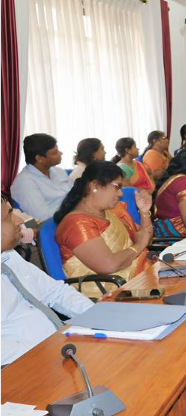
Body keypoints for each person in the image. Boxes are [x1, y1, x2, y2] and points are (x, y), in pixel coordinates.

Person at [0, 194, 93, 368]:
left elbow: (56, 292)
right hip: (25, 365)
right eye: (9, 216)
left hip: (60, 346)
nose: (19, 221)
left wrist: (95, 316)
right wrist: (45, 355)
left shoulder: (9, 256)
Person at [54, 162, 153, 298]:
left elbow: (144, 238)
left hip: (136, 275)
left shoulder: (111, 211)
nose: (120, 193)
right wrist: (140, 245)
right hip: (112, 289)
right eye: (117, 187)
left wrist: (144, 212)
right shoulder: (77, 223)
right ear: (95, 186)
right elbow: (108, 265)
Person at [11, 134, 72, 222]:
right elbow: (42, 217)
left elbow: (76, 195)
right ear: (39, 158)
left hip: (76, 216)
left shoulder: (58, 171)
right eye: (55, 152)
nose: (60, 153)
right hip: (57, 224)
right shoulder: (25, 182)